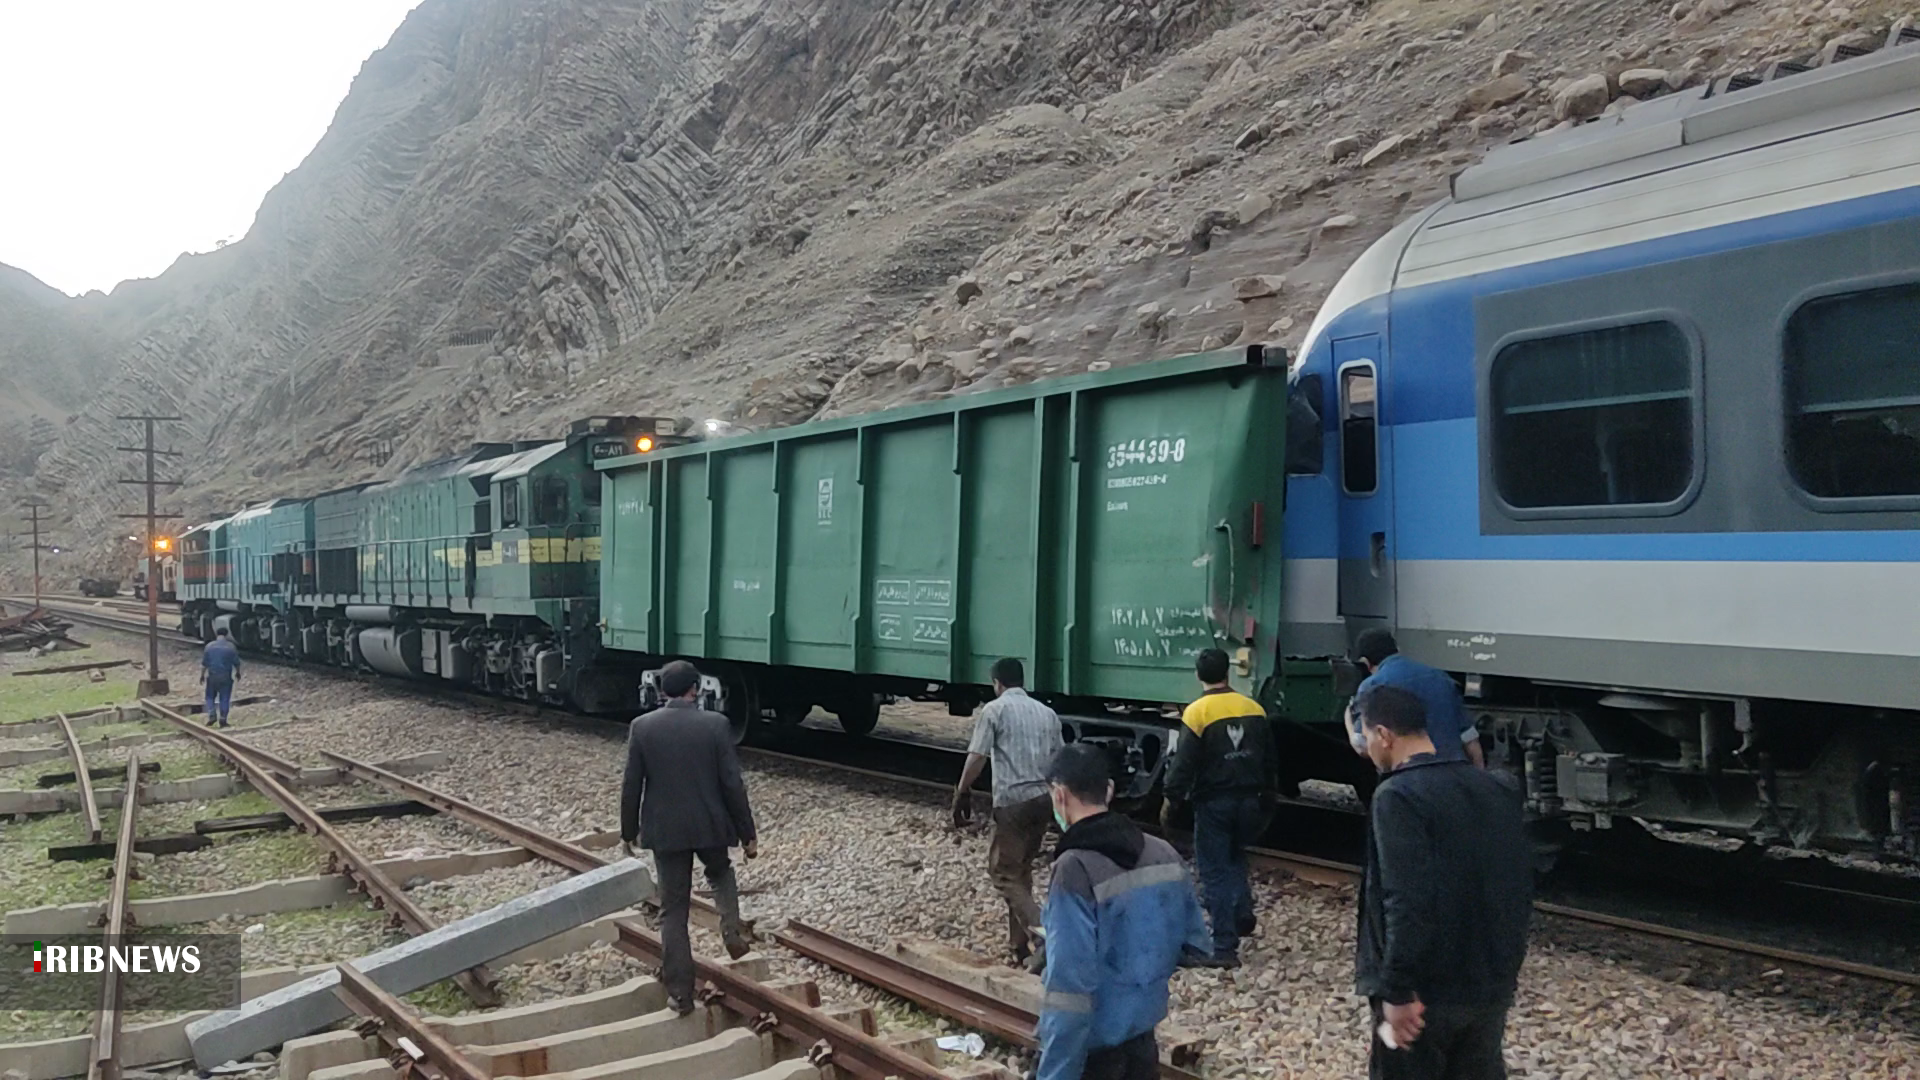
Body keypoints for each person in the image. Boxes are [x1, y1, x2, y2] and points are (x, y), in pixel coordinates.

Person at [1354, 684, 1531, 1080]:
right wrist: (1505, 973)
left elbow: (1406, 900)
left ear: (1385, 735)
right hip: (1488, 988)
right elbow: (1517, 887)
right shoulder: (1497, 789)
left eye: (1367, 737)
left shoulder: (1397, 797)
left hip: (1423, 996)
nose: (1368, 748)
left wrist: (1397, 991)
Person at [1036, 742, 1211, 1080]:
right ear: (1110, 790)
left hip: (1094, 1051)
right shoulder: (1162, 852)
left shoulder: (1074, 868)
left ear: (1059, 795)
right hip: (1142, 1041)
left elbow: (1070, 989)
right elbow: (1196, 945)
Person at [619, 660, 757, 1013]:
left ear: (662, 691)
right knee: (721, 871)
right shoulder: (716, 725)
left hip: (666, 832)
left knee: (673, 911)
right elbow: (732, 784)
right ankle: (730, 929)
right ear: (696, 689)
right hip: (710, 825)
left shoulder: (642, 727)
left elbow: (631, 784)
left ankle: (681, 995)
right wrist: (747, 834)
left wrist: (628, 832)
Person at [1161, 648, 1274, 968]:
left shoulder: (1198, 712)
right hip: (1250, 800)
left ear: (1199, 676)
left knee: (1213, 871)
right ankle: (1242, 912)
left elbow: (1184, 763)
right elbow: (1269, 760)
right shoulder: (1254, 708)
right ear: (1229, 672)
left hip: (1214, 802)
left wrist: (1172, 797)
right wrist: (1269, 798)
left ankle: (1224, 947)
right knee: (1236, 856)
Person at [952, 657, 1066, 964]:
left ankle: (1043, 930)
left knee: (1002, 872)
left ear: (997, 683)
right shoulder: (1047, 713)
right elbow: (1060, 759)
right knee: (1021, 870)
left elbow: (977, 756)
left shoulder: (995, 709)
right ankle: (1019, 946)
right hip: (1044, 799)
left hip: (1013, 801)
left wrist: (962, 791)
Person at [1348, 628, 1484, 767]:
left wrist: (1348, 718)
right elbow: (1471, 740)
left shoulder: (1372, 686)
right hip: (1453, 770)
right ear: (1397, 649)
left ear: (1366, 662)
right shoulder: (1440, 677)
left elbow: (1362, 747)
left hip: (1407, 775)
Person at [200, 627, 241, 728]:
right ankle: (223, 719)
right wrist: (238, 673)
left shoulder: (209, 646)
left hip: (212, 676)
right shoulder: (231, 646)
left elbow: (204, 664)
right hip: (226, 676)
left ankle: (212, 714)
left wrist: (202, 675)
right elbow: (237, 663)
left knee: (209, 697)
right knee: (225, 698)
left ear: (216, 634)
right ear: (227, 635)